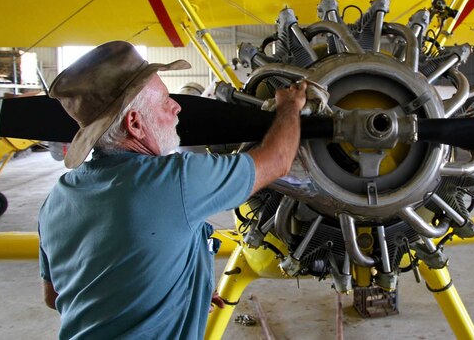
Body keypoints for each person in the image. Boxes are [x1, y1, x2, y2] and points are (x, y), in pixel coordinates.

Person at [38, 41, 306, 339]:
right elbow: (278, 160)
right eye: (166, 101)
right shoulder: (174, 180)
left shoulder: (57, 199)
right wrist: (290, 107)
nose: (177, 107)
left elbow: (54, 297)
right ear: (135, 124)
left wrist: (175, 296)